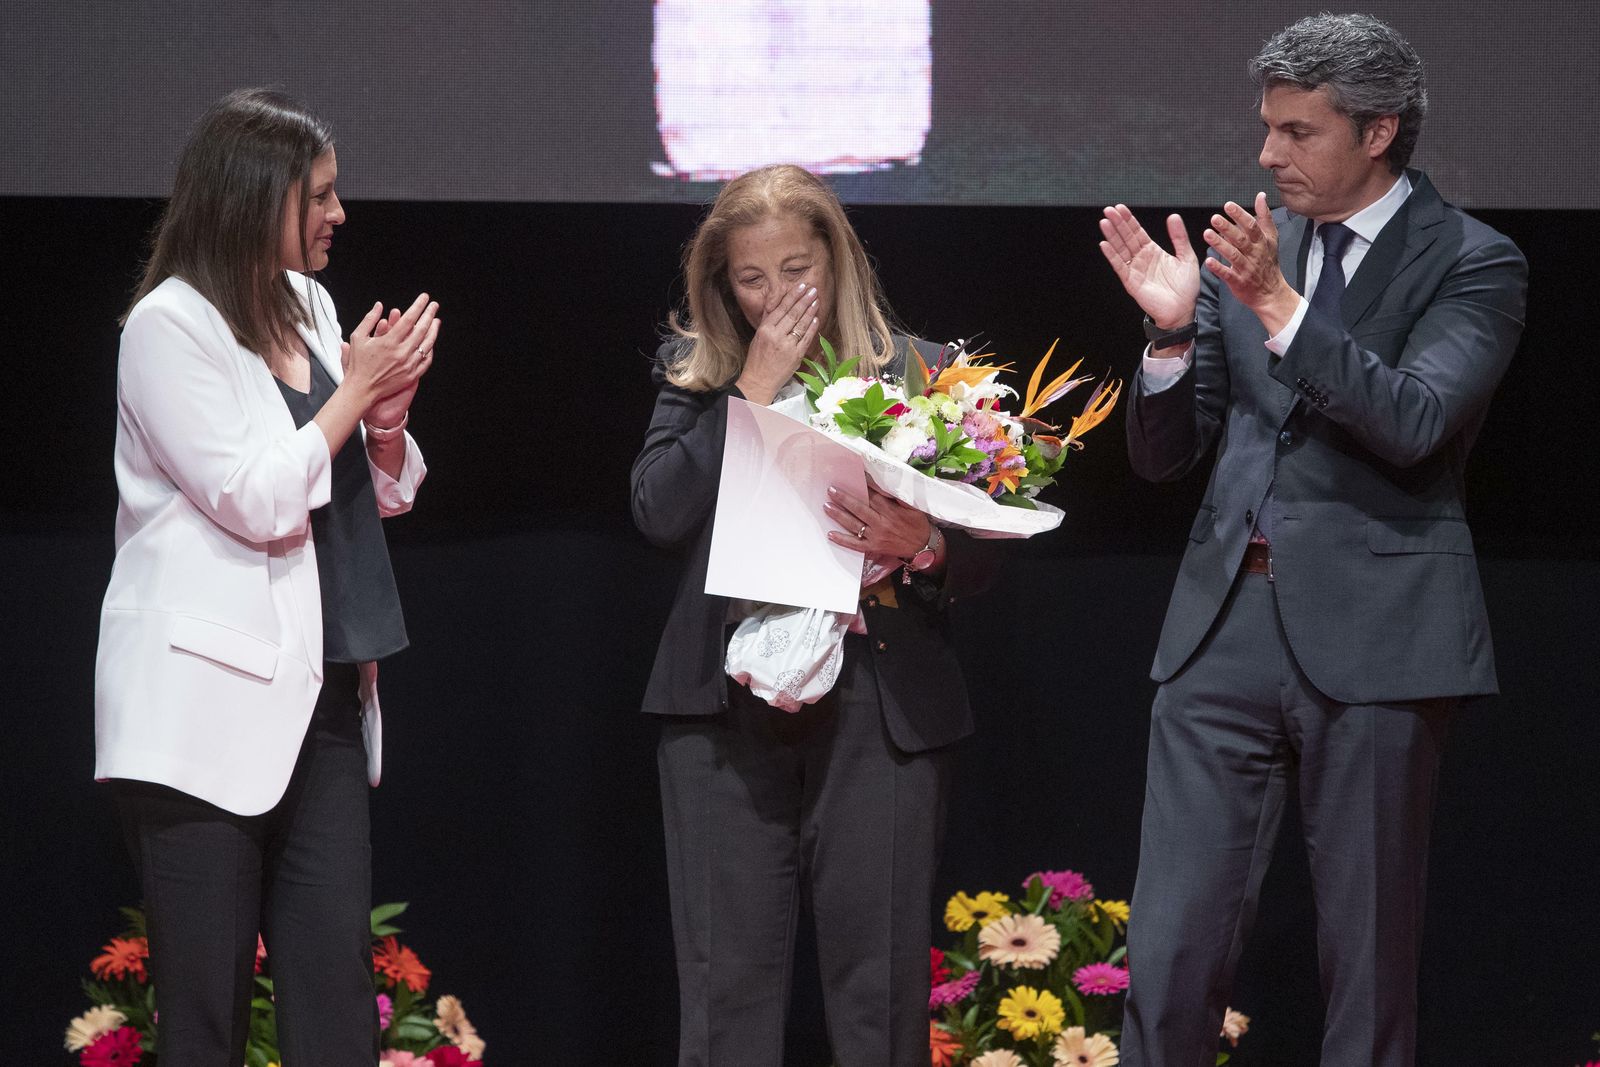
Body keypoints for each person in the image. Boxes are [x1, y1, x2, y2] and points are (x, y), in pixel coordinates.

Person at [1098, 14, 1527, 1066]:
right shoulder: (1253, 247)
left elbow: (1417, 422)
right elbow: (1164, 456)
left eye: (1297, 131)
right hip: (1220, 629)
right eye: (1266, 128)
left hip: (1378, 636)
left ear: (1378, 131)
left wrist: (1282, 310)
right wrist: (1166, 332)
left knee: (1367, 961)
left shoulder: (1474, 262)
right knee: (1167, 947)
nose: (1266, 155)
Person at [95, 88, 438, 1065]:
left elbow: (353, 490)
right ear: (253, 201)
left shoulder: (311, 302)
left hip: (318, 690)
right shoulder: (169, 327)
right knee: (204, 1018)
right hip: (200, 707)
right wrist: (352, 394)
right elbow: (253, 496)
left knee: (335, 1014)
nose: (340, 214)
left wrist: (382, 419)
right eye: (319, 197)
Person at [631, 163, 1000, 1066]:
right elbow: (657, 510)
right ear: (722, 283)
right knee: (727, 991)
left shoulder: (919, 370)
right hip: (722, 715)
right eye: (752, 278)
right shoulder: (702, 378)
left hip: (880, 700)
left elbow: (986, 544)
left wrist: (925, 541)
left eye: (796, 270)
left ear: (834, 260)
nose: (776, 296)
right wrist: (750, 391)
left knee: (878, 993)